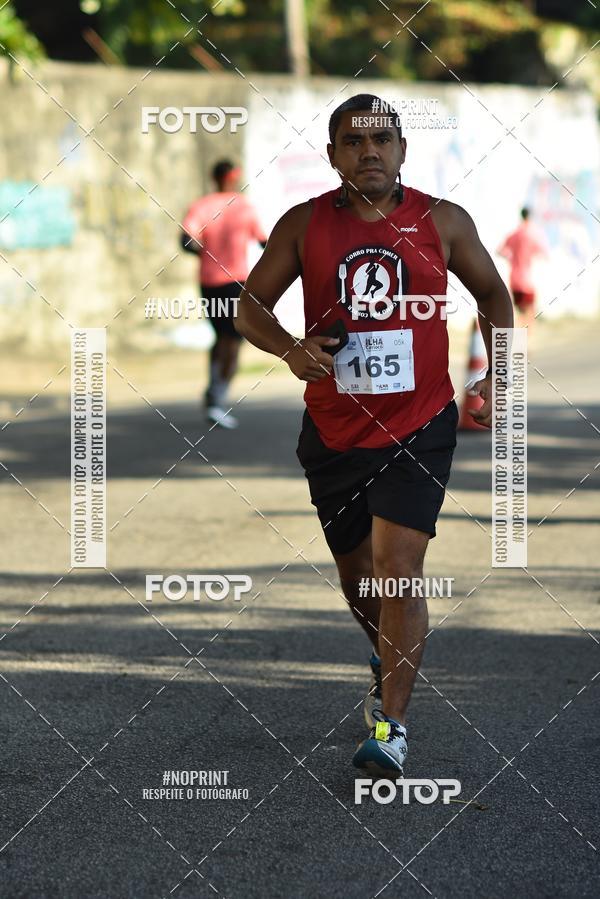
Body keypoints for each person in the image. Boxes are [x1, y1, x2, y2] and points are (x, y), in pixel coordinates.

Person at [235, 94, 513, 776]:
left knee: (398, 569)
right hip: (333, 430)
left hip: (420, 423)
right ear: (332, 155)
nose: (370, 152)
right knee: (359, 578)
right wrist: (291, 349)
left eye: (382, 140)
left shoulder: (442, 221)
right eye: (353, 142)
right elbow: (249, 306)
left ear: (402, 150)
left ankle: (391, 727)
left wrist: (499, 378)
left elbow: (494, 297)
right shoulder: (302, 225)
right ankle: (385, 653)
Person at [182, 160, 267, 429]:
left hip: (209, 281)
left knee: (223, 337)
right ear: (232, 178)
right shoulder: (243, 206)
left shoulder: (201, 206)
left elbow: (185, 241)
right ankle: (217, 397)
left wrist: (207, 255)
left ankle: (214, 393)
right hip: (235, 280)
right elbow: (265, 242)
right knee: (233, 339)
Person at [498, 207, 547, 333]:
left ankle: (519, 343)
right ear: (529, 216)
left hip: (514, 280)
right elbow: (543, 253)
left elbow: (500, 251)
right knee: (530, 314)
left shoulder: (514, 235)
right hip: (526, 281)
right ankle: (525, 345)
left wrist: (511, 258)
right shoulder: (532, 235)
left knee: (520, 313)